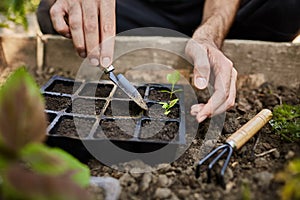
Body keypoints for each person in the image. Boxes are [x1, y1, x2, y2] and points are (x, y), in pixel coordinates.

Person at [37, 0, 300, 123]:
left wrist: (208, 37)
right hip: (142, 10)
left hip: (206, 11)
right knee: (52, 9)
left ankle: (198, 42)